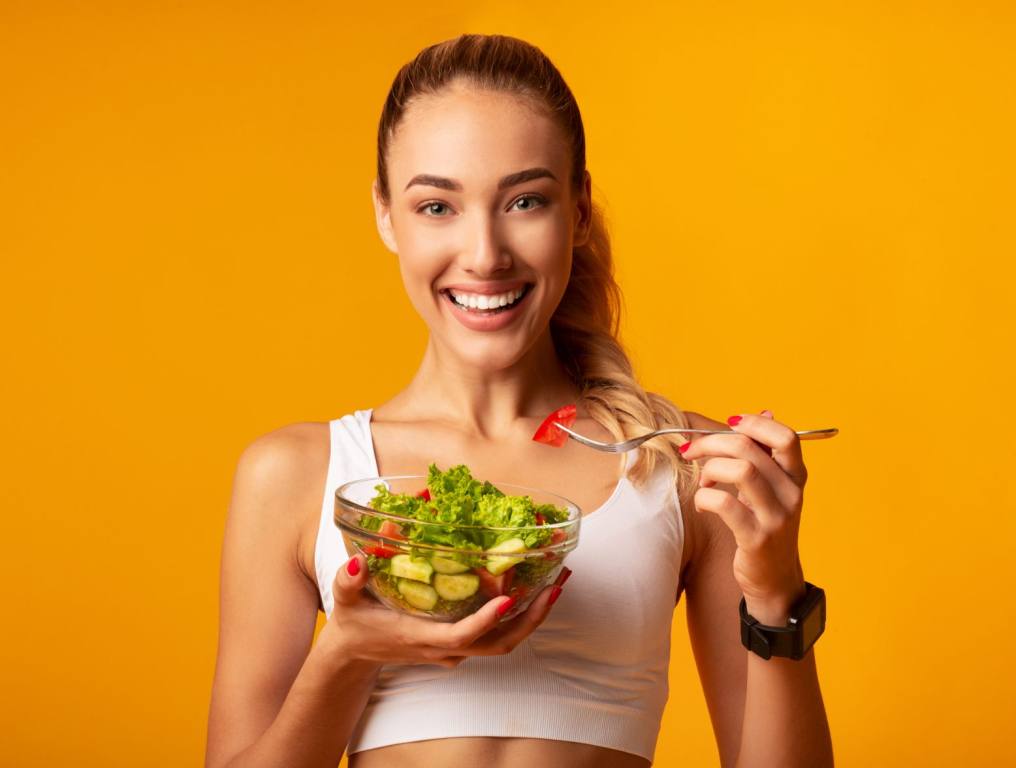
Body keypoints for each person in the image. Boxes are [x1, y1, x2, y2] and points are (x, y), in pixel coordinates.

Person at [204, 33, 834, 768]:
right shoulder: (297, 476)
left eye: (525, 201)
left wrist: (774, 590)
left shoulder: (681, 469)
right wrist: (345, 652)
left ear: (579, 210)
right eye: (437, 206)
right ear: (385, 215)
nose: (484, 253)